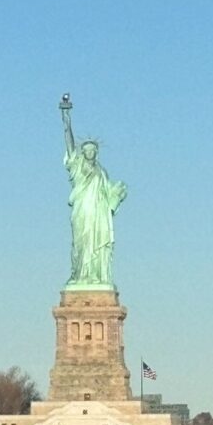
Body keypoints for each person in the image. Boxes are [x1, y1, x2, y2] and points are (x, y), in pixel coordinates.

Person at [61, 101, 127, 286]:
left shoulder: (102, 172)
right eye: (86, 150)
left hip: (98, 214)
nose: (89, 152)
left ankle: (98, 276)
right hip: (83, 210)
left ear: (96, 152)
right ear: (82, 152)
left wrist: (119, 193)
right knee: (81, 244)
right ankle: (80, 275)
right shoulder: (78, 166)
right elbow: (69, 144)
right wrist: (66, 120)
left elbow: (110, 195)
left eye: (92, 150)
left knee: (97, 244)